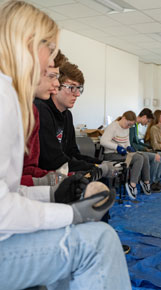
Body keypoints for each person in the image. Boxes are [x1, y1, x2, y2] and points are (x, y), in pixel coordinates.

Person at [0, 2, 130, 289]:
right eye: (52, 54)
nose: (52, 67)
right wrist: (71, 212)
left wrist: (50, 194)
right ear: (29, 46)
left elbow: (6, 193)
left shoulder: (11, 97)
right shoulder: (6, 100)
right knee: (99, 241)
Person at [35, 61, 105, 178]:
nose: (77, 94)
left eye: (79, 88)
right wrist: (93, 167)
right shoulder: (41, 110)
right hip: (41, 179)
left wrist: (100, 163)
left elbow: (73, 153)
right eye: (71, 87)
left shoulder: (67, 115)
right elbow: (53, 161)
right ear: (57, 86)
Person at [21, 50, 67, 186]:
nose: (57, 84)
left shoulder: (32, 111)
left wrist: (67, 178)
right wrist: (44, 183)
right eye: (52, 76)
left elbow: (27, 169)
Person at [101, 110, 152, 199]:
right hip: (111, 154)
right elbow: (103, 141)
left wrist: (128, 147)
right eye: (128, 124)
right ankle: (132, 185)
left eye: (131, 125)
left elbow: (126, 142)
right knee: (138, 158)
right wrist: (116, 147)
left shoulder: (127, 128)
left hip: (121, 154)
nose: (129, 127)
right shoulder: (113, 127)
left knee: (144, 156)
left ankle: (146, 182)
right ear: (124, 118)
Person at [130, 108, 161, 192]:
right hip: (134, 151)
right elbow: (131, 144)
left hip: (138, 149)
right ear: (144, 117)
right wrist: (144, 148)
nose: (147, 124)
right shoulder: (132, 126)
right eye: (148, 121)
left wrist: (148, 147)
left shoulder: (135, 126)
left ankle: (155, 181)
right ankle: (148, 183)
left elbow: (137, 142)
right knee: (156, 157)